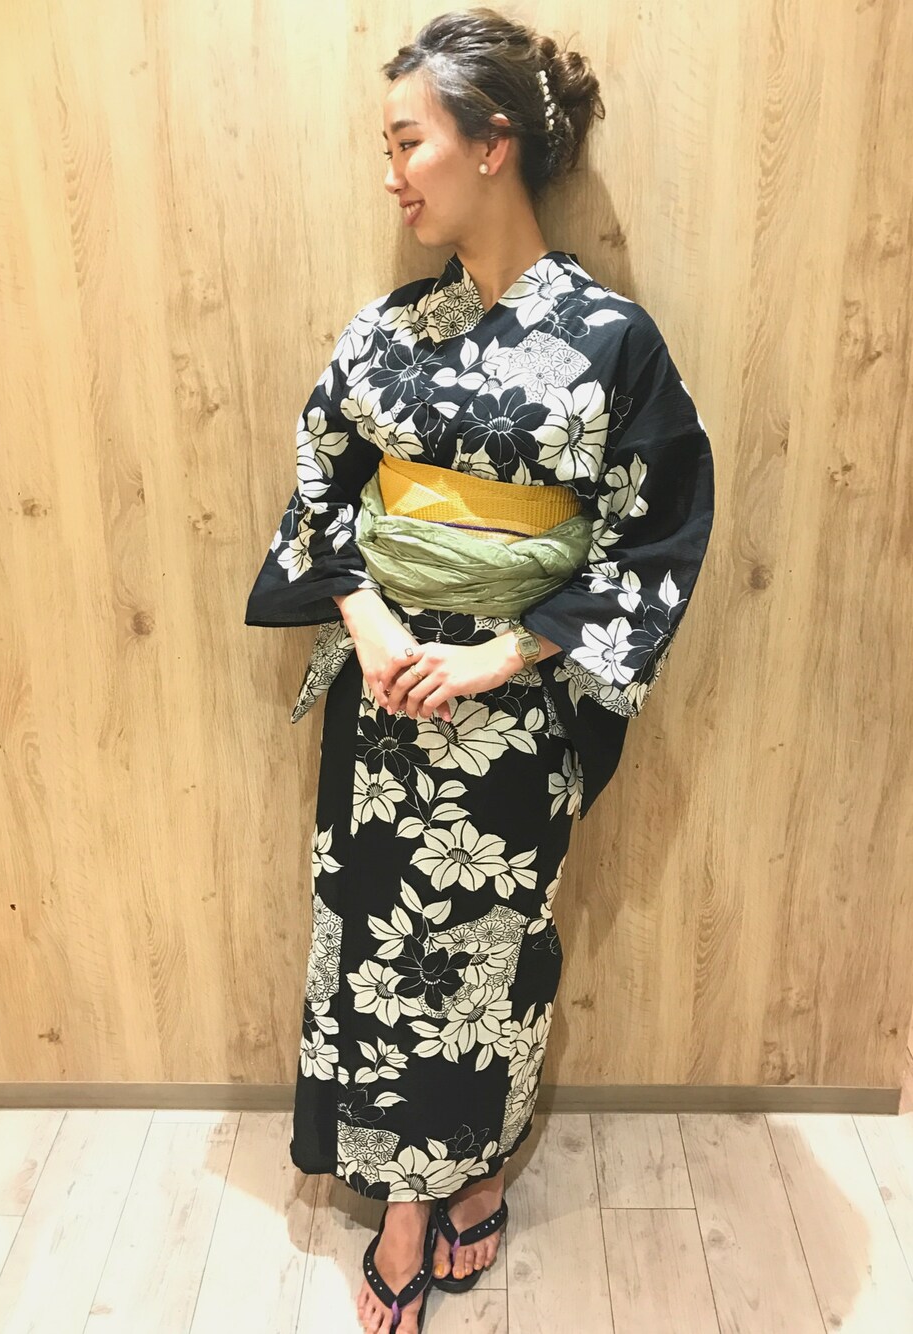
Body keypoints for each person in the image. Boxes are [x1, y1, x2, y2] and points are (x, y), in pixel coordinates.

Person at [244, 8, 715, 1331]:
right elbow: (321, 483)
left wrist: (506, 651)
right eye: (387, 147)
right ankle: (404, 1197)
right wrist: (366, 617)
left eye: (411, 143)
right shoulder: (388, 330)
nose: (393, 174)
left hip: (517, 712)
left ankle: (477, 1164)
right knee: (378, 943)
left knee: (491, 953)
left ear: (493, 144)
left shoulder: (612, 341)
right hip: (386, 696)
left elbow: (657, 528)